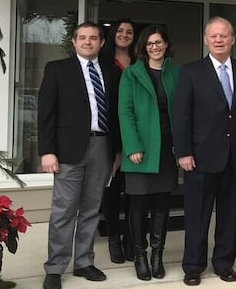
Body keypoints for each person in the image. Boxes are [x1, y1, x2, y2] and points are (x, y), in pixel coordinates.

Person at [38, 22, 121, 289]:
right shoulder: (57, 69)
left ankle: (84, 262)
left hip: (103, 146)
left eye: (93, 38)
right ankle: (55, 267)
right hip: (68, 150)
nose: (88, 42)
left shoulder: (111, 71)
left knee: (91, 209)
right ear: (74, 42)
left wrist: (117, 151)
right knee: (64, 210)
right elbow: (46, 113)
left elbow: (116, 114)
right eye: (82, 37)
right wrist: (47, 151)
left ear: (102, 42)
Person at [172, 16, 236, 286]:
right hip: (200, 157)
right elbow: (181, 115)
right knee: (197, 215)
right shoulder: (191, 71)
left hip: (233, 157)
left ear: (233, 39)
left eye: (224, 35)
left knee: (230, 215)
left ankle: (224, 263)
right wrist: (183, 152)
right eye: (214, 36)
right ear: (206, 40)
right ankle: (193, 266)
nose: (219, 40)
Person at [118, 25, 179, 281]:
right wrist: (132, 146)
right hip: (140, 150)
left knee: (162, 205)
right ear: (143, 47)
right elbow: (125, 112)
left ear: (166, 45)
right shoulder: (131, 74)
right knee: (139, 205)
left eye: (159, 42)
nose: (155, 47)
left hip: (166, 149)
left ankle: (157, 256)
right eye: (150, 43)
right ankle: (140, 255)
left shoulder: (175, 73)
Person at [100, 18, 136, 264]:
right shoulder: (103, 64)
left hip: (136, 135)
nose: (124, 35)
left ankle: (131, 239)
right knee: (112, 190)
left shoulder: (140, 62)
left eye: (129, 32)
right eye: (120, 31)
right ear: (113, 34)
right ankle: (114, 238)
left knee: (135, 192)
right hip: (112, 133)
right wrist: (116, 149)